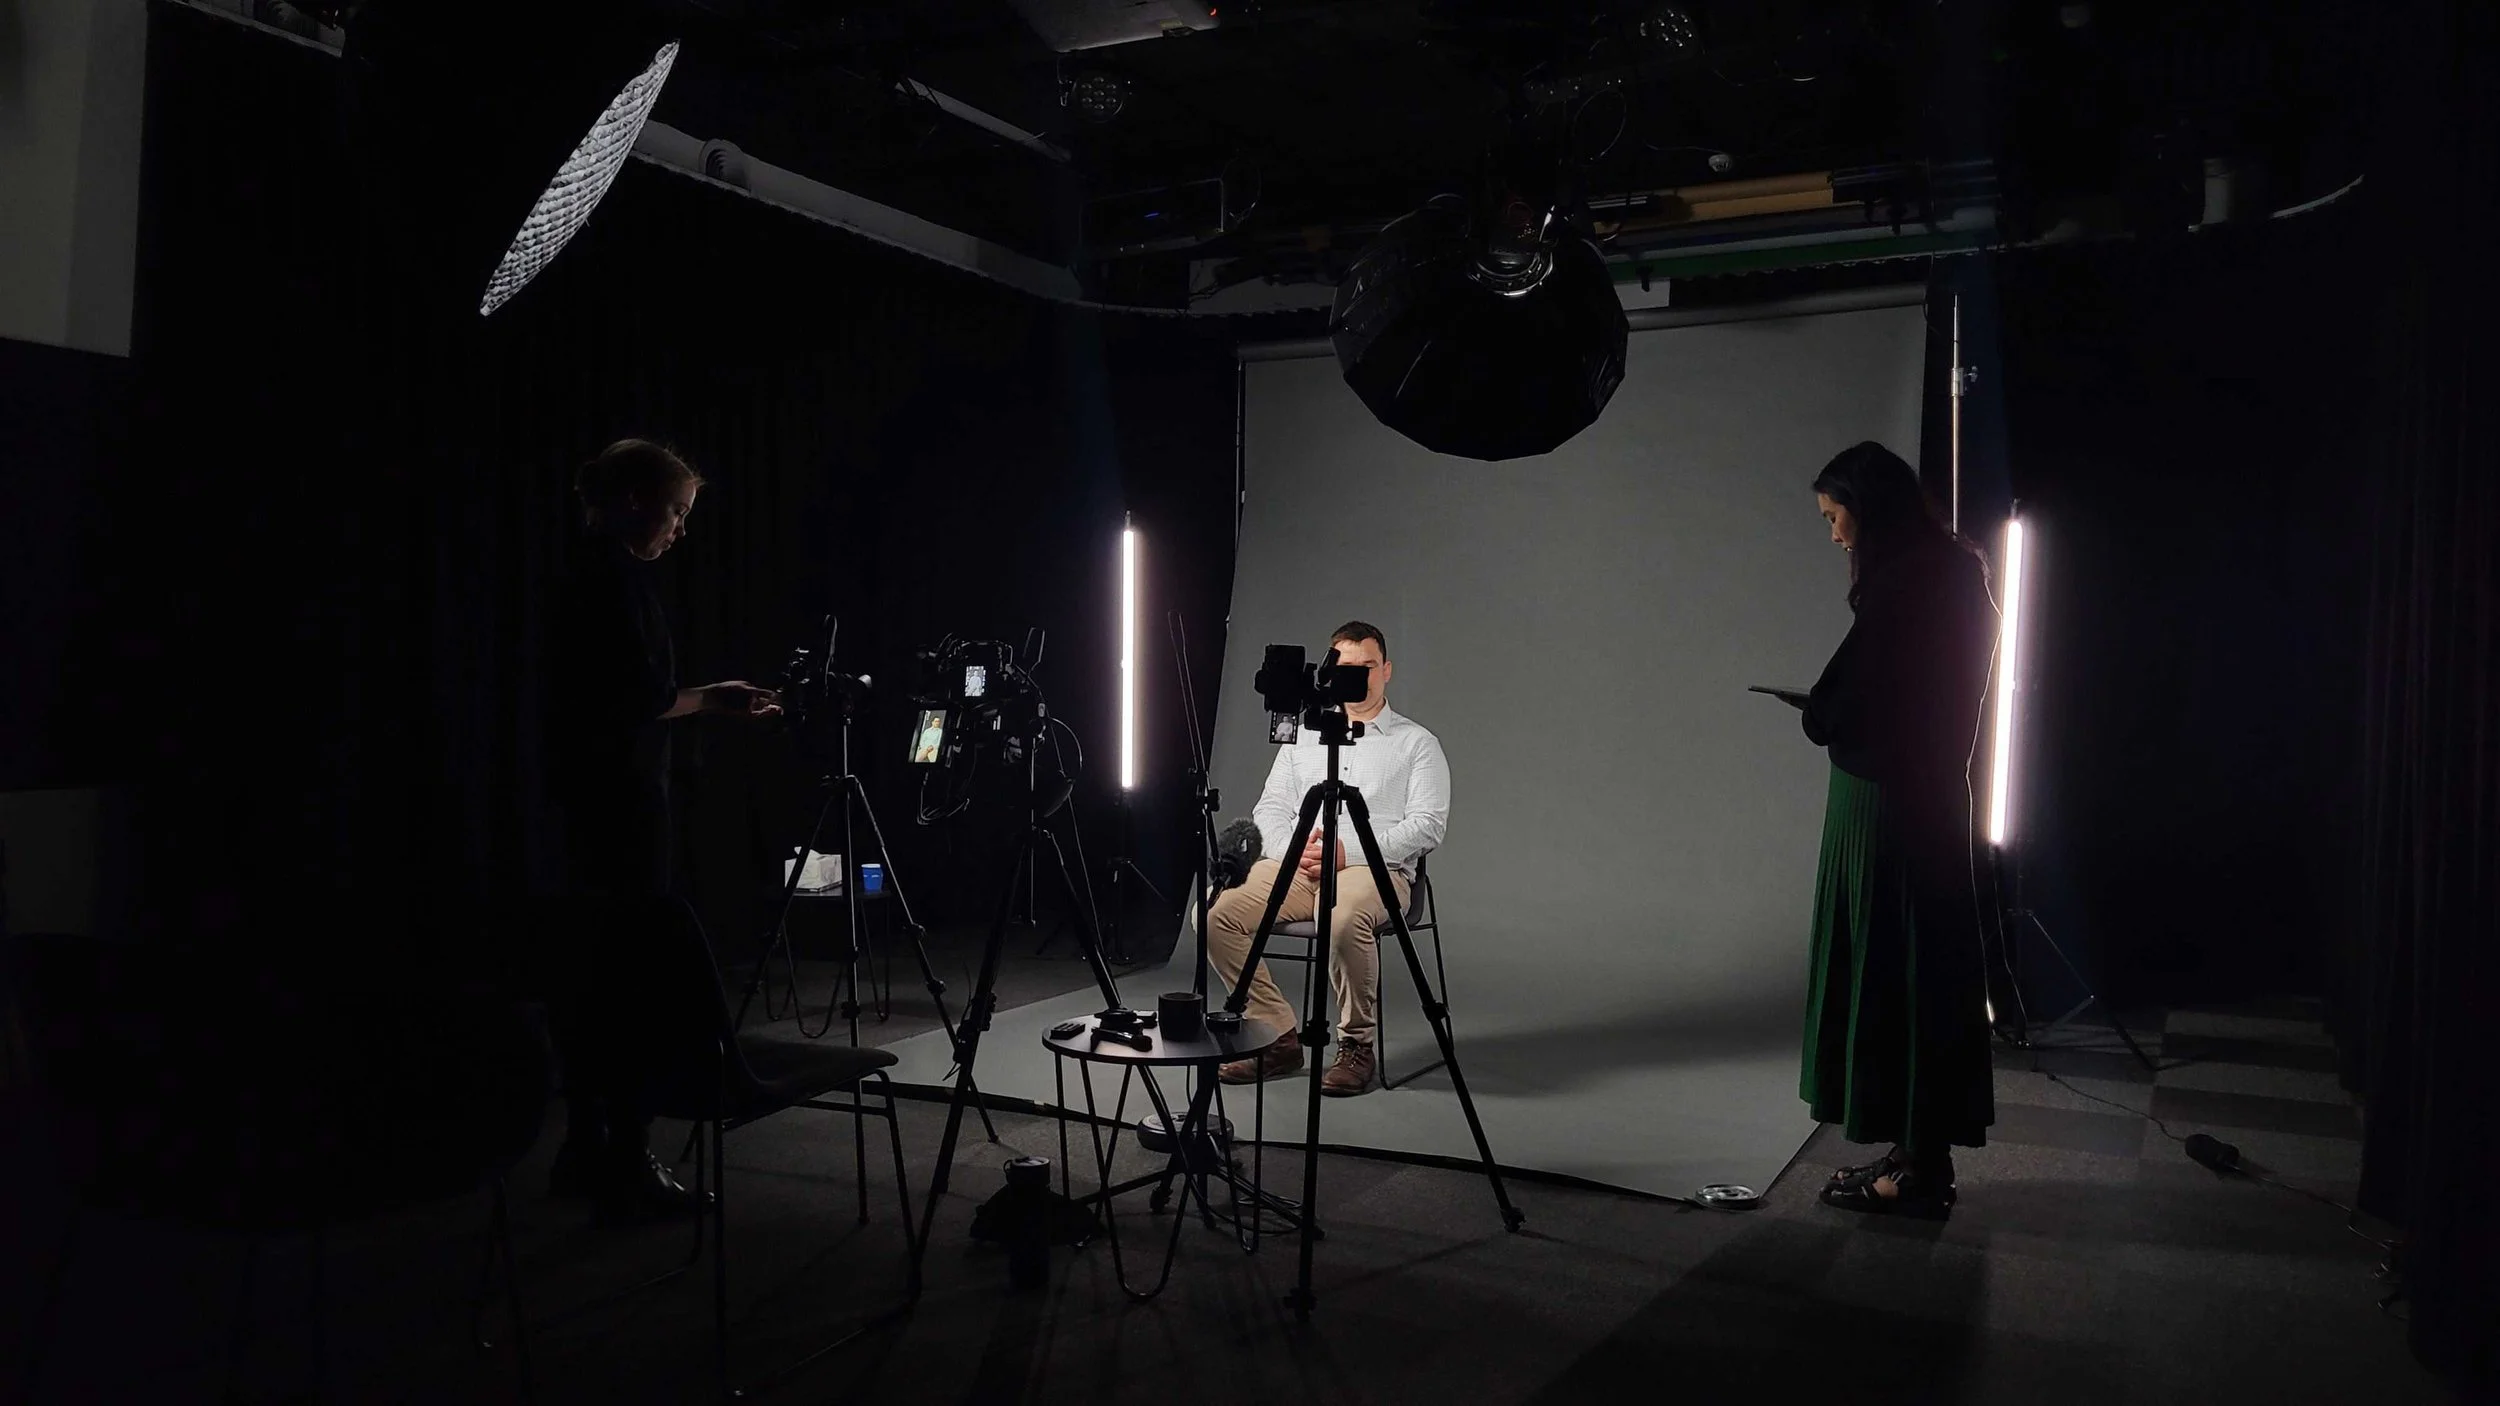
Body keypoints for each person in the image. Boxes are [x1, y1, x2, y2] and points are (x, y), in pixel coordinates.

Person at [543, 438, 778, 1220]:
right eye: (677, 512)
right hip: (621, 810)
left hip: (581, 803)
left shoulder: (576, 572)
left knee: (589, 978)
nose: (681, 530)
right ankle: (627, 1157)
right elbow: (639, 698)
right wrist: (710, 699)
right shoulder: (615, 581)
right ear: (638, 501)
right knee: (631, 976)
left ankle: (587, 1146)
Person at [1796, 441, 1999, 1217]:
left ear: (1864, 504)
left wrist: (1820, 714)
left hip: (1886, 809)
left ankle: (1916, 1167)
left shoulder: (1906, 585)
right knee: (1920, 971)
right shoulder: (1951, 572)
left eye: (1834, 515)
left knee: (1896, 969)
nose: (1834, 534)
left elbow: (1842, 702)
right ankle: (1916, 1155)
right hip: (1926, 801)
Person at [1205, 622, 1448, 1097]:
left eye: (1368, 667)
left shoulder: (1417, 743)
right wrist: (1296, 851)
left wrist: (1346, 852)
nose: (1357, 677)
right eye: (1346, 668)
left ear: (1387, 671)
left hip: (1376, 872)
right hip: (1298, 864)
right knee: (1215, 912)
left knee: (1339, 917)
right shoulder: (1302, 736)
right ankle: (1276, 1035)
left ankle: (1356, 1045)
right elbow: (1269, 809)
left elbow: (1427, 826)